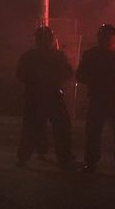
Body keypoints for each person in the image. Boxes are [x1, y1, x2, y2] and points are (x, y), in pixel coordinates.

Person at [76, 23, 115, 176]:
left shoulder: (112, 56)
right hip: (104, 98)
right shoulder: (114, 56)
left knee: (110, 131)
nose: (107, 39)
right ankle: (112, 163)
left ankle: (101, 163)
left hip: (107, 98)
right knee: (100, 131)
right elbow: (80, 75)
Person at [15, 25, 75, 169]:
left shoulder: (29, 55)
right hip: (52, 96)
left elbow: (20, 75)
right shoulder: (57, 55)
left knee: (31, 127)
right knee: (60, 127)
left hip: (34, 97)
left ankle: (24, 156)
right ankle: (63, 157)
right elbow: (68, 73)